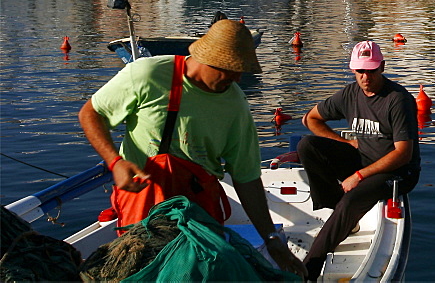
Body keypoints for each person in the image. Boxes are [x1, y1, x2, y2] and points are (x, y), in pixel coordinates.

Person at [78, 19, 306, 278]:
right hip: (143, 207)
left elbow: (247, 178)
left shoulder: (235, 105)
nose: (237, 77)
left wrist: (273, 240)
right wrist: (115, 163)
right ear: (207, 59)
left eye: (241, 70)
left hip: (200, 215)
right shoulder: (147, 75)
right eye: (230, 70)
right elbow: (91, 114)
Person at [297, 40, 421, 280]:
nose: (366, 77)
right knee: (307, 146)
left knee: (352, 199)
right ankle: (338, 210)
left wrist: (359, 176)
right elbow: (310, 119)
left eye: (371, 70)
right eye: (360, 71)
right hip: (364, 158)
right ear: (353, 69)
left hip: (397, 171)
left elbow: (403, 153)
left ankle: (310, 267)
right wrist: (346, 144)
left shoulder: (398, 99)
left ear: (382, 67)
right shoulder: (349, 94)